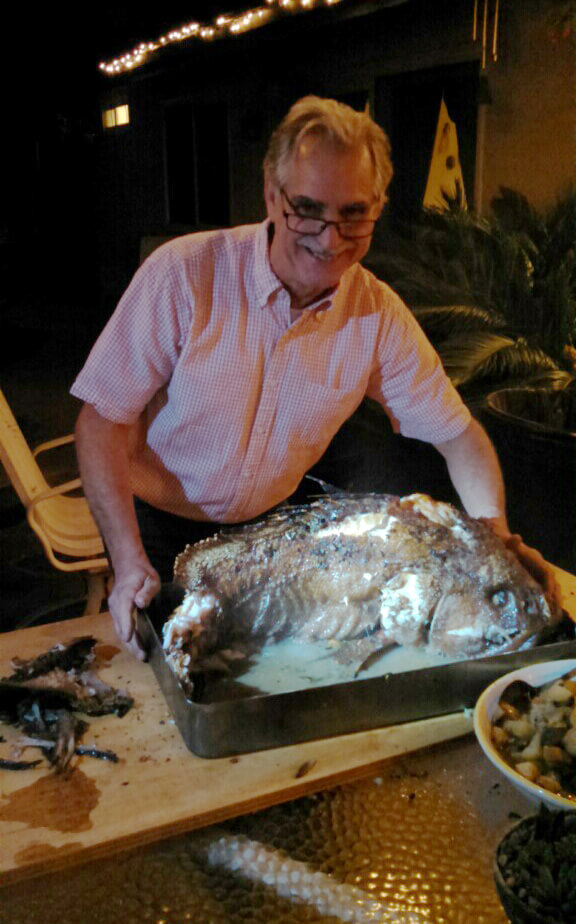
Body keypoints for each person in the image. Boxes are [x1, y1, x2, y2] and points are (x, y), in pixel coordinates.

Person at [72, 95, 559, 660]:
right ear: (272, 196)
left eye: (354, 213)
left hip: (275, 539)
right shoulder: (184, 275)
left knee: (269, 674)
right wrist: (127, 558)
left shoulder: (377, 314)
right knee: (166, 680)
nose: (330, 239)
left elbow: (458, 436)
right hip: (154, 526)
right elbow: (101, 422)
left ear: (378, 204)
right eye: (308, 209)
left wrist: (491, 536)